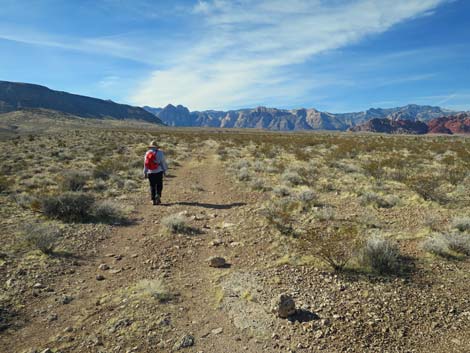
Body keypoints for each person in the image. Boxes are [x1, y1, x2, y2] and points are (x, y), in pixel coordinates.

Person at [143, 140, 168, 205]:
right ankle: (158, 195)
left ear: (150, 147)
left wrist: (145, 172)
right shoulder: (160, 153)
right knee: (159, 184)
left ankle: (153, 200)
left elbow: (145, 164)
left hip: (150, 172)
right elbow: (163, 162)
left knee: (152, 185)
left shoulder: (147, 153)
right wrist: (164, 171)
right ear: (157, 147)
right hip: (159, 171)